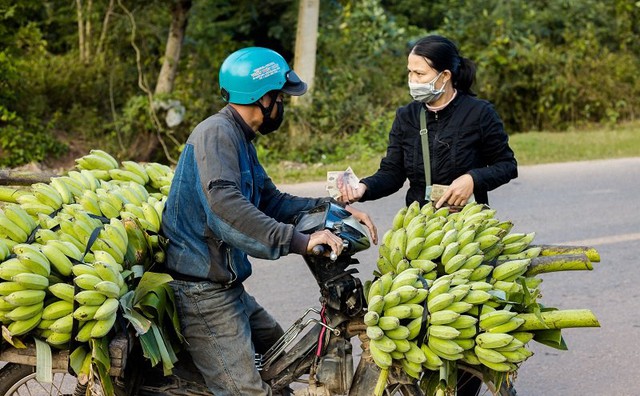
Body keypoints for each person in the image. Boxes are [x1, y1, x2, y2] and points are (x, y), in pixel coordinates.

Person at [159, 47, 378, 396]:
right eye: (280, 98)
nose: (282, 107)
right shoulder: (216, 135)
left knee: (284, 358)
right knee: (247, 391)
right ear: (263, 99)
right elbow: (226, 208)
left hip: (226, 287)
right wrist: (299, 240)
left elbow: (271, 199)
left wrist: (332, 208)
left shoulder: (240, 138)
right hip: (201, 293)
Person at [338, 35, 517, 209]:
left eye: (420, 73)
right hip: (422, 223)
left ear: (445, 75)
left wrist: (473, 179)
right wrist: (363, 188)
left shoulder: (479, 113)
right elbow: (392, 172)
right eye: (410, 72)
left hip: (467, 223)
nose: (412, 80)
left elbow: (506, 166)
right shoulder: (406, 116)